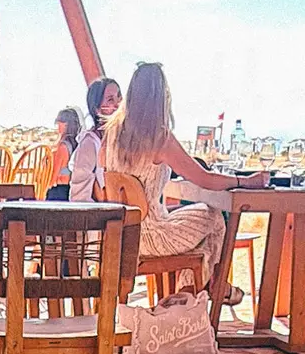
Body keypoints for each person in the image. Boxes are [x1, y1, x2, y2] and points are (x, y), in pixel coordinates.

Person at [103, 61, 266, 291]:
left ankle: (198, 290)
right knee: (213, 216)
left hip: (123, 236)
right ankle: (193, 292)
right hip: (154, 237)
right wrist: (244, 181)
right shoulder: (159, 138)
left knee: (195, 226)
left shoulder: (112, 133)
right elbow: (204, 179)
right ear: (162, 97)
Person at [68, 75, 120, 200]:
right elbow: (79, 197)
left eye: (119, 97)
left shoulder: (121, 140)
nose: (118, 105)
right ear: (97, 109)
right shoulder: (90, 143)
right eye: (110, 100)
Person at [47, 106, 82, 198]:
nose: (57, 126)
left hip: (59, 191)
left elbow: (54, 173)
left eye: (59, 123)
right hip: (71, 189)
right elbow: (66, 169)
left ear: (66, 125)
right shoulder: (77, 143)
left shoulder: (63, 147)